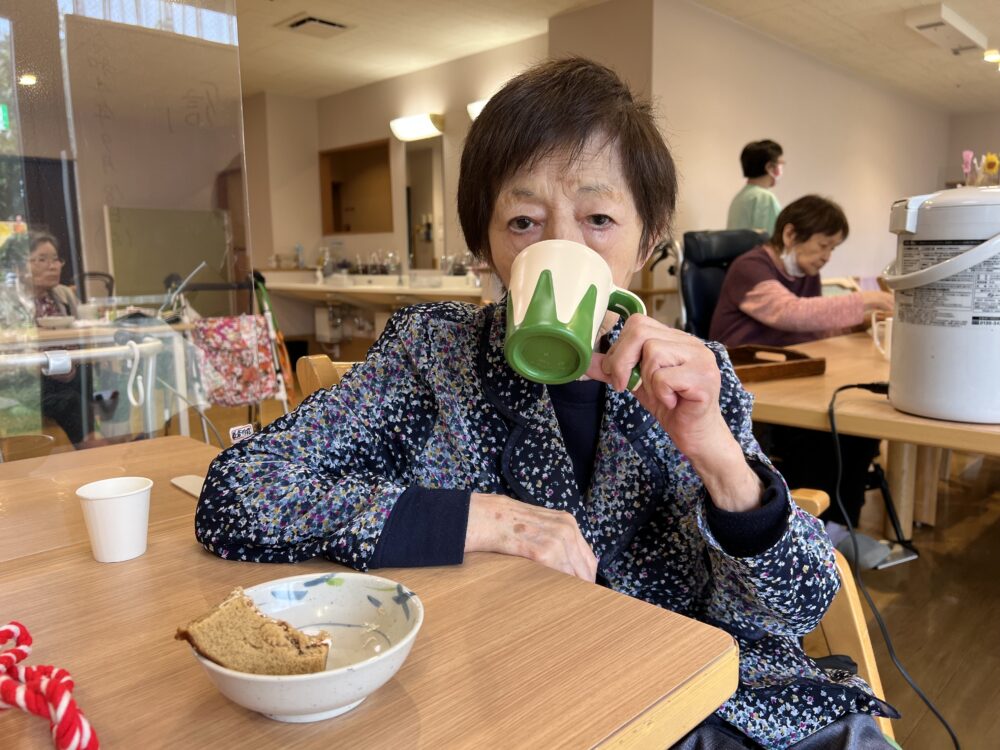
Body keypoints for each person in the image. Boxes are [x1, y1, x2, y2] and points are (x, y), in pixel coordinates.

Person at [196, 59, 895, 749]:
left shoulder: (695, 372)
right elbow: (239, 492)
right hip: (500, 705)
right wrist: (479, 517)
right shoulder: (432, 356)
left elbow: (796, 607)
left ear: (649, 239)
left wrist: (722, 465)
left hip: (695, 702)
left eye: (598, 217)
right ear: (486, 246)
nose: (562, 244)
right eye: (525, 221)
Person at [710, 196, 895, 567]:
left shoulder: (806, 274)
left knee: (856, 424)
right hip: (746, 381)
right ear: (791, 233)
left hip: (791, 374)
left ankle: (839, 525)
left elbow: (813, 325)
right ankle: (812, 526)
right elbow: (790, 313)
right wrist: (868, 301)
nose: (827, 255)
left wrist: (857, 319)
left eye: (833, 248)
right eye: (824, 244)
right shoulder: (751, 266)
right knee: (820, 431)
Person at [28, 232, 96, 448]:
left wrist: (72, 364)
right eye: (42, 259)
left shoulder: (63, 295)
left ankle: (114, 440)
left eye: (56, 259)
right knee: (69, 400)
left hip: (66, 369)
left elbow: (78, 332)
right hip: (33, 377)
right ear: (21, 266)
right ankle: (92, 448)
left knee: (100, 376)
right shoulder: (11, 301)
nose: (53, 266)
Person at [727, 139, 783, 236]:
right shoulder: (765, 198)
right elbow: (771, 240)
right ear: (769, 167)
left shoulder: (741, 197)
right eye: (780, 163)